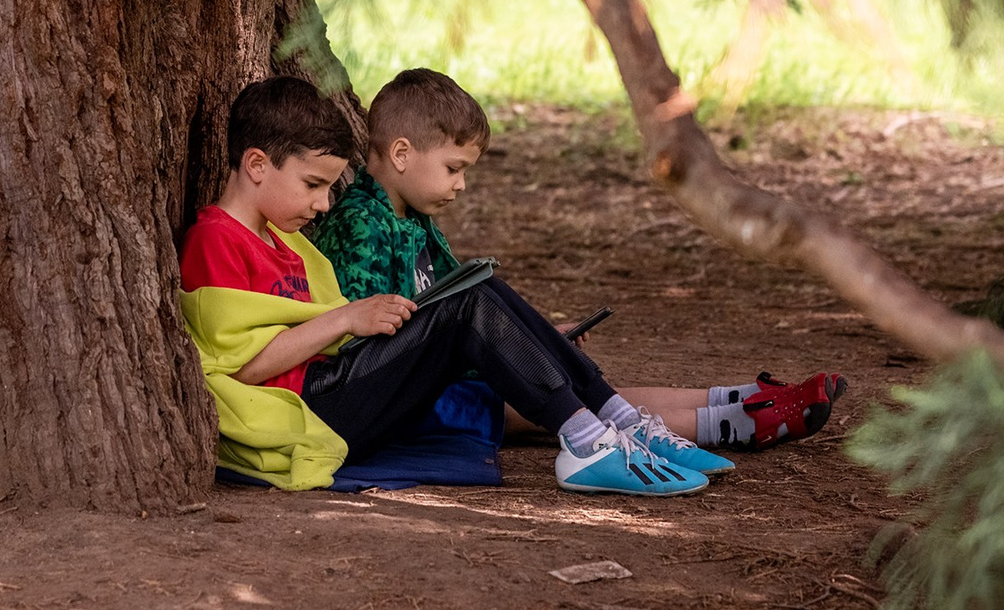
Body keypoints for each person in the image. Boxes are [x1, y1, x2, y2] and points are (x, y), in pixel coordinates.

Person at [177, 75, 707, 496]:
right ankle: (588, 443)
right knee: (464, 303)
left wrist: (532, 335)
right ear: (256, 165)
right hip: (304, 412)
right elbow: (238, 367)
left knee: (477, 287)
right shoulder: (216, 240)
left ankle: (613, 419)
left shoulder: (286, 241)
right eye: (313, 185)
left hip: (335, 390)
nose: (322, 204)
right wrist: (345, 318)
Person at [308, 67, 846, 458]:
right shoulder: (362, 225)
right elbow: (376, 341)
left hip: (441, 383)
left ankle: (743, 401)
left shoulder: (414, 220)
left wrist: (533, 337)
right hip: (410, 399)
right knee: (549, 395)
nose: (461, 184)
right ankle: (737, 422)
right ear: (402, 155)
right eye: (453, 168)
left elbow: (451, 309)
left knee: (556, 374)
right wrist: (502, 349)